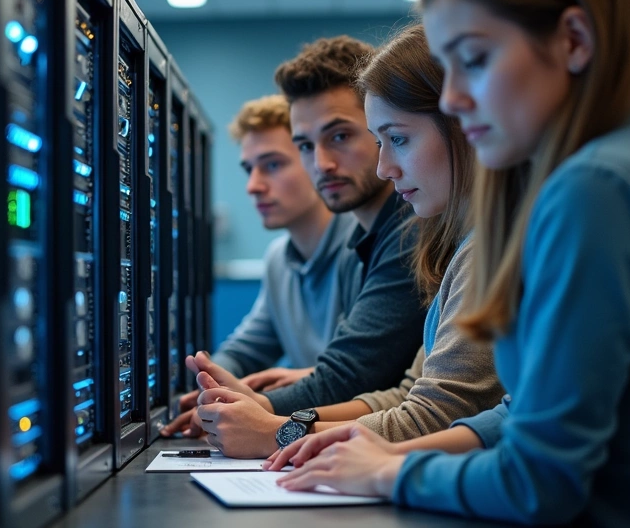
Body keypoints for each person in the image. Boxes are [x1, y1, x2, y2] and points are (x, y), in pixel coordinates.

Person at [267, 0, 630, 526]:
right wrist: (391, 451)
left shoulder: (600, 187)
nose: (452, 100)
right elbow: (526, 413)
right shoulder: (607, 172)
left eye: (474, 60)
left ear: (573, 41)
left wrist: (386, 472)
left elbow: (540, 481)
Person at [192, 25, 504, 458]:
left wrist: (275, 430)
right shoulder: (445, 243)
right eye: (304, 145)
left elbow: (428, 411)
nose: (384, 167)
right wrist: (276, 420)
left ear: (464, 124)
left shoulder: (475, 245)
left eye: (396, 139)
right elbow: (408, 394)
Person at [162, 36, 427, 435]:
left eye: (339, 136)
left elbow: (356, 379)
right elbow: (394, 393)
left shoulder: (410, 230)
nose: (321, 163)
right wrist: (220, 387)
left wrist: (265, 416)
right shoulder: (365, 238)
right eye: (305, 145)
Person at [162, 95, 359, 438]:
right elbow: (246, 350)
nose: (253, 186)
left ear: (313, 159)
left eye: (272, 165)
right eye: (249, 169)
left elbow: (360, 376)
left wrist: (254, 405)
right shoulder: (278, 259)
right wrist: (210, 383)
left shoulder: (365, 248)